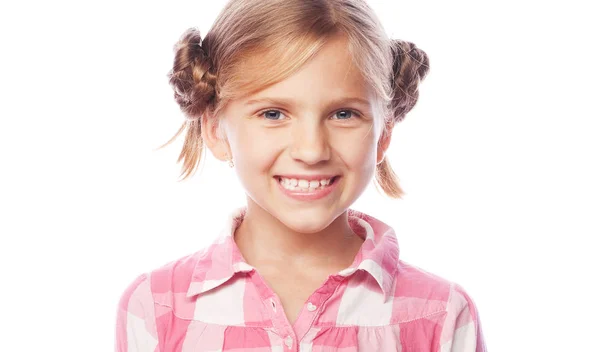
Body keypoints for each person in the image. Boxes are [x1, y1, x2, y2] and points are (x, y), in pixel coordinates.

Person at [115, 0, 487, 350]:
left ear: (384, 132)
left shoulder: (441, 315)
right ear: (215, 130)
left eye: (343, 114)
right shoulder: (156, 307)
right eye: (273, 114)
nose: (311, 151)